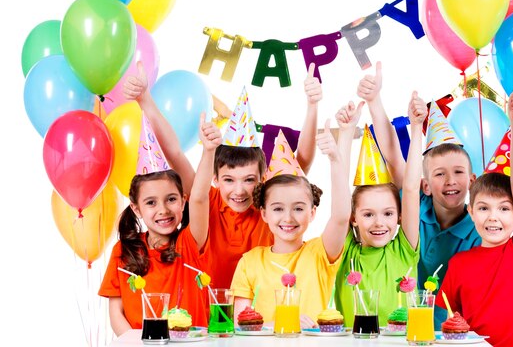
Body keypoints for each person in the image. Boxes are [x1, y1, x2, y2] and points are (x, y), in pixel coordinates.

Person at [123, 61, 323, 289]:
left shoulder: (270, 204)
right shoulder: (206, 199)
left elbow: (302, 162)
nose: (239, 190)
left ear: (263, 178)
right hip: (210, 314)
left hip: (262, 314)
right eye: (229, 180)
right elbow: (175, 154)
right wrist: (145, 101)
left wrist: (313, 105)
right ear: (215, 179)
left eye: (249, 180)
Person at [357, 61, 481, 328]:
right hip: (396, 324)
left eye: (459, 172)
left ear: (472, 180)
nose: (450, 181)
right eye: (439, 174)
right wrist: (374, 101)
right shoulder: (414, 206)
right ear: (425, 184)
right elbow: (392, 155)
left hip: (449, 332)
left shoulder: (478, 228)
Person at [436, 88, 513, 347]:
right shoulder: (458, 264)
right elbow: (449, 324)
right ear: (471, 212)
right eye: (483, 208)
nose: (493, 217)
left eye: (504, 209)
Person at [99, 114, 218, 335]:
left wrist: (209, 151)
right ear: (136, 209)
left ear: (184, 201)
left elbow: (201, 197)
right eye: (151, 203)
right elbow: (116, 312)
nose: (163, 209)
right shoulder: (122, 251)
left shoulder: (190, 244)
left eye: (171, 199)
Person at [230, 118, 351, 328]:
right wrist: (283, 323)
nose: (288, 218)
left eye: (298, 208)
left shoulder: (320, 253)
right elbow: (240, 326)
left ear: (312, 212)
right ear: (264, 213)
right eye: (278, 209)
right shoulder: (249, 262)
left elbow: (341, 217)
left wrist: (335, 160)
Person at [334, 92, 425, 328]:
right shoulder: (346, 253)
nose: (379, 223)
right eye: (367, 214)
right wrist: (345, 132)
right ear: (353, 218)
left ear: (399, 217)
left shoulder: (404, 251)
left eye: (388, 213)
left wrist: (416, 128)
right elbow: (340, 189)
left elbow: (412, 188)